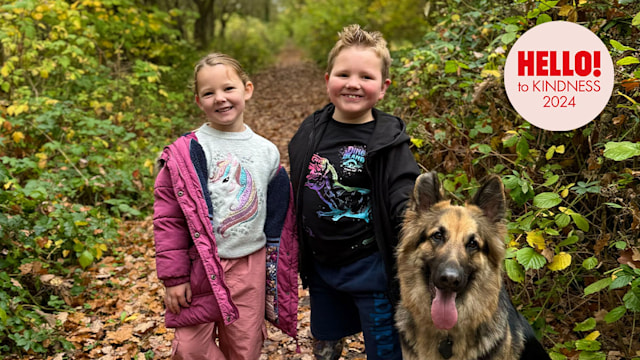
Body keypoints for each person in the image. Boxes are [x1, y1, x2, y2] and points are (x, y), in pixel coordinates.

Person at [153, 53, 298, 360]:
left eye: (228, 89)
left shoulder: (266, 152)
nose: (220, 98)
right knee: (190, 347)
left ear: (247, 89)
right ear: (198, 100)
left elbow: (279, 218)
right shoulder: (187, 151)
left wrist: (278, 271)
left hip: (250, 266)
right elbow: (169, 219)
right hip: (200, 265)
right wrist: (174, 278)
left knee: (244, 346)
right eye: (209, 93)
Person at [288, 24, 421, 360]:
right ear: (327, 78)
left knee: (385, 346)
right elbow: (298, 177)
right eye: (343, 73)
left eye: (366, 77)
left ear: (383, 87)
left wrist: (409, 216)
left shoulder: (389, 141)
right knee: (326, 342)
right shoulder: (311, 130)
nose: (353, 83)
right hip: (320, 264)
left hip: (370, 267)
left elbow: (402, 189)